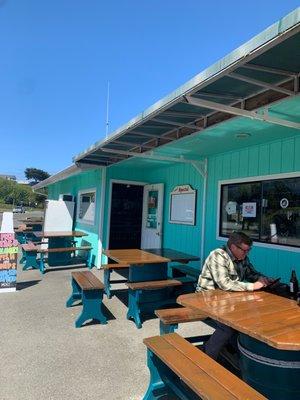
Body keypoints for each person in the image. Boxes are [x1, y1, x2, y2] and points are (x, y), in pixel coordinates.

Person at [196, 231, 274, 362]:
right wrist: (252, 286)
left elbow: (252, 273)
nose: (247, 253)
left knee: (251, 321)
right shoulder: (218, 255)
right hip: (207, 299)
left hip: (230, 300)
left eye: (249, 250)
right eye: (244, 250)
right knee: (227, 328)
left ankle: (234, 353)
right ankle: (207, 357)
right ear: (233, 247)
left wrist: (263, 279)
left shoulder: (242, 258)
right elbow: (224, 284)